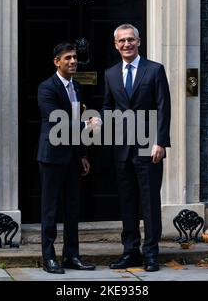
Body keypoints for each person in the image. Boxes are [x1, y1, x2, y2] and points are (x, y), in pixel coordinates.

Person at [103, 24, 171, 272]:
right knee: (128, 201)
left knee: (150, 202)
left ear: (139, 42)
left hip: (149, 146)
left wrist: (160, 142)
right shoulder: (110, 74)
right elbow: (108, 105)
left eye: (131, 39)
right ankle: (130, 251)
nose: (127, 44)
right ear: (116, 45)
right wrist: (102, 119)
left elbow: (164, 107)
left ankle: (151, 254)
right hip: (122, 147)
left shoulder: (154, 70)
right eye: (122, 41)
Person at [37, 42, 97, 274]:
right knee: (50, 209)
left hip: (72, 157)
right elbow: (56, 121)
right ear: (57, 62)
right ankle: (49, 257)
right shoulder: (47, 88)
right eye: (68, 58)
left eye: (75, 58)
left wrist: (82, 154)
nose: (73, 62)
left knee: (72, 209)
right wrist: (86, 124)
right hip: (52, 157)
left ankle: (72, 255)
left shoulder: (77, 87)